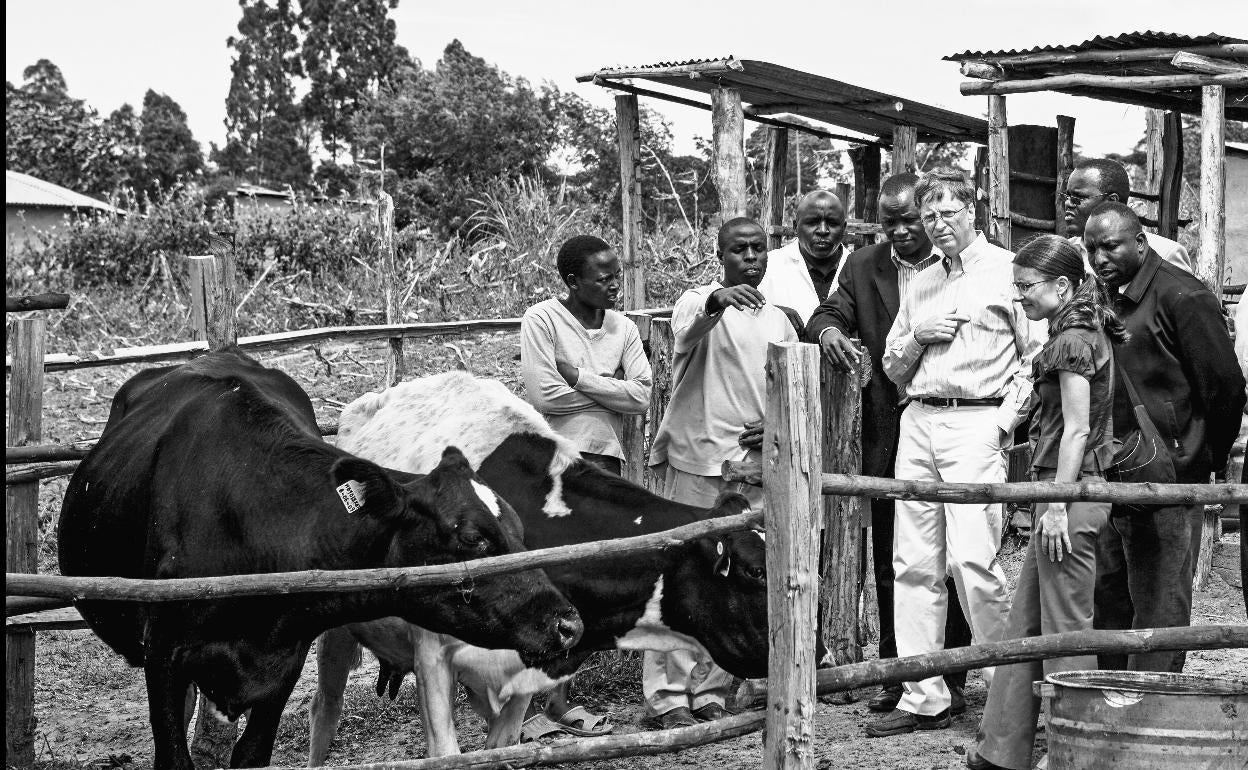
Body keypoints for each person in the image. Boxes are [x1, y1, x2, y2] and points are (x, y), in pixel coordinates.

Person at [867, 170, 1044, 738]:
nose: (938, 226)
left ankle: (1010, 695)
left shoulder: (1007, 271)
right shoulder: (918, 280)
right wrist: (920, 336)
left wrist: (1002, 423)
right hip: (918, 419)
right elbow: (892, 366)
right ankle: (924, 696)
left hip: (977, 421)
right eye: (929, 216)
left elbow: (1036, 361)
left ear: (974, 208)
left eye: (949, 213)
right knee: (913, 565)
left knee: (973, 561)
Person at [805, 173, 973, 715]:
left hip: (957, 426)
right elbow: (828, 313)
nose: (902, 230)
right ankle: (901, 673)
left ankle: (956, 668)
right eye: (890, 221)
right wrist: (829, 330)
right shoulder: (864, 265)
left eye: (911, 219)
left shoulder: (961, 264)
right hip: (888, 431)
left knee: (960, 557)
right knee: (894, 560)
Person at [966, 235, 1126, 770]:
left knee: (1066, 630)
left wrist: (1057, 503)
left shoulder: (1073, 340)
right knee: (1027, 622)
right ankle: (1002, 750)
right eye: (1015, 287)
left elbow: (1077, 431)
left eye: (1026, 287)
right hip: (1056, 492)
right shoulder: (1076, 332)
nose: (1019, 298)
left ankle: (1075, 755)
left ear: (1061, 285)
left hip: (1069, 497)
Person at [645, 217, 801, 729]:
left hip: (753, 465)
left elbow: (785, 383)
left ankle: (711, 688)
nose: (751, 257)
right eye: (739, 250)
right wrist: (718, 300)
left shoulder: (778, 318)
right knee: (684, 574)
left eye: (759, 249)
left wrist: (774, 421)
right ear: (721, 255)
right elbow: (688, 329)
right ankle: (668, 696)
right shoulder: (698, 300)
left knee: (738, 577)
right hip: (698, 458)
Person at [1085, 203, 1245, 672]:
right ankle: (1111, 702)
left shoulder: (1183, 296)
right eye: (1092, 248)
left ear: (1140, 242)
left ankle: (1151, 707)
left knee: (1160, 600)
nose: (1099, 257)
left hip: (1169, 477)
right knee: (1109, 594)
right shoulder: (1103, 296)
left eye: (1110, 246)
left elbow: (1226, 387)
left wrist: (1196, 456)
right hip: (1112, 472)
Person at [519, 234, 653, 737]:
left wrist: (580, 378)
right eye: (604, 277)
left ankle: (558, 701)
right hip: (552, 466)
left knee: (580, 585)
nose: (614, 284)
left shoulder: (623, 328)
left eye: (617, 274)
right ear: (573, 281)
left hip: (604, 467)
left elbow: (642, 396)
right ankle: (526, 710)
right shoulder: (543, 320)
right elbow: (542, 394)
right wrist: (604, 392)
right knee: (543, 581)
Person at [1062, 158, 1192, 274]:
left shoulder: (1165, 254)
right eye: (1066, 196)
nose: (1068, 203)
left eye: (1078, 197)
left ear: (1112, 202)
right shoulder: (1063, 253)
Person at [758, 189, 849, 325]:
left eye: (832, 223)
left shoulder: (860, 269)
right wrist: (771, 313)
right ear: (796, 227)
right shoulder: (769, 266)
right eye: (812, 222)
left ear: (844, 228)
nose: (823, 231)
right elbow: (742, 316)